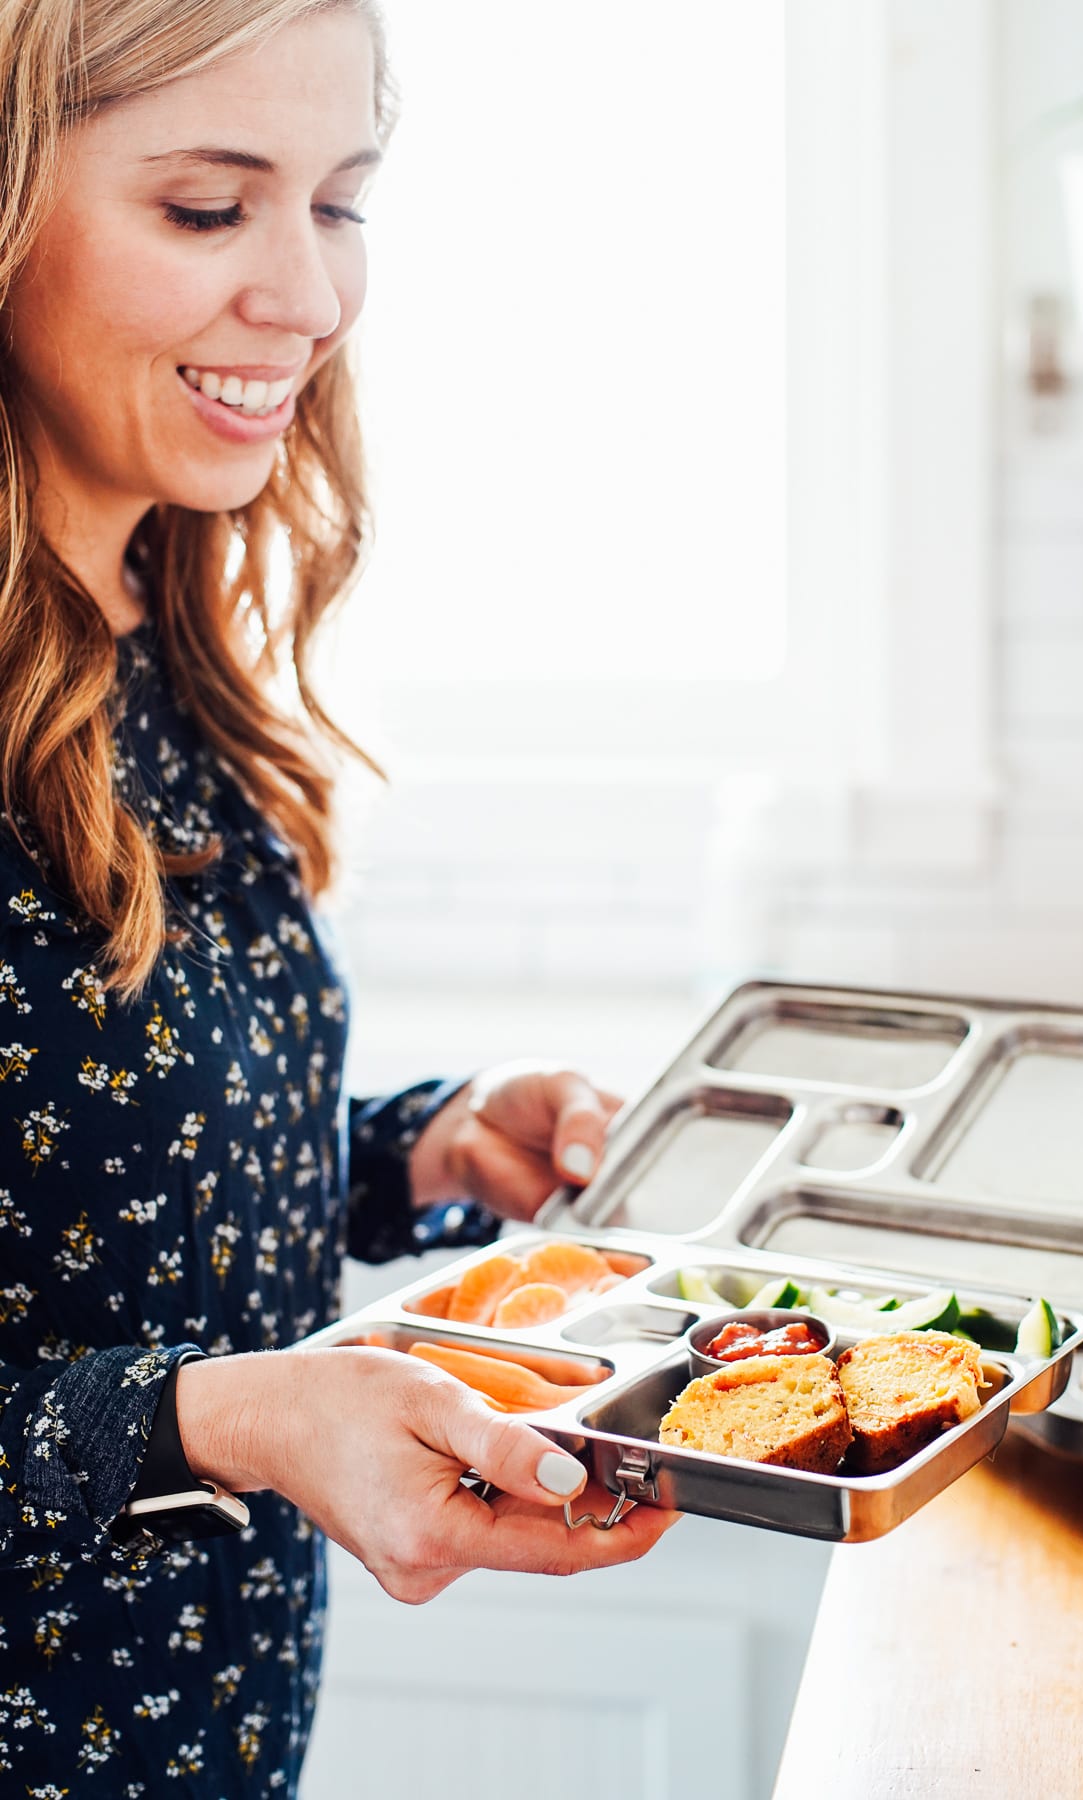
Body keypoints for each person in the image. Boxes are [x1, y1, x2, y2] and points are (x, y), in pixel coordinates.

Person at [0, 1, 676, 1792]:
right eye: (211, 211)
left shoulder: (158, 632)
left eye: (342, 202)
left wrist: (426, 1150)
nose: (309, 296)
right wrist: (233, 1416)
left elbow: (86, 1190)